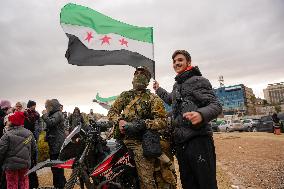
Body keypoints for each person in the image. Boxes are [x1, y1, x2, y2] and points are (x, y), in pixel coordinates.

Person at [153, 50, 222, 189]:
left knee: (205, 183)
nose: (176, 63)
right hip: (181, 143)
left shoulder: (198, 80)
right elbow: (170, 99)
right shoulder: (177, 85)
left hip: (198, 140)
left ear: (188, 62)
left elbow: (216, 105)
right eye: (174, 61)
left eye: (180, 60)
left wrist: (201, 114)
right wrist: (158, 89)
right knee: (188, 184)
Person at [107, 67, 171, 189]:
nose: (139, 75)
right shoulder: (125, 95)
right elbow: (112, 112)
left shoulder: (153, 98)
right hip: (120, 140)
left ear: (147, 80)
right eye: (137, 73)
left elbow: (162, 121)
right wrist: (119, 120)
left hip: (140, 142)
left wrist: (143, 124)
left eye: (143, 74)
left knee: (146, 181)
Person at [0, 111, 37, 189]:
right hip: (25, 164)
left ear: (12, 122)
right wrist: (29, 158)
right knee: (24, 182)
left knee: (12, 183)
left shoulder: (7, 135)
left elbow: (1, 151)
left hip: (11, 165)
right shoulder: (29, 133)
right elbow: (33, 149)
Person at [42, 99, 66, 189]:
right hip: (55, 142)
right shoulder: (56, 114)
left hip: (57, 143)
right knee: (56, 166)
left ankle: (60, 185)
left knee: (56, 166)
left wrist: (44, 115)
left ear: (52, 107)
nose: (47, 109)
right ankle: (61, 183)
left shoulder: (58, 114)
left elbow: (51, 123)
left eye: (47, 107)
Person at [24, 100, 40, 189]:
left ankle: (33, 184)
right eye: (33, 105)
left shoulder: (36, 114)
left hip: (33, 137)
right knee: (29, 158)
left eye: (35, 105)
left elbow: (38, 127)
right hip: (28, 138)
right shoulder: (26, 114)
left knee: (33, 157)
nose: (34, 107)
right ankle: (31, 183)